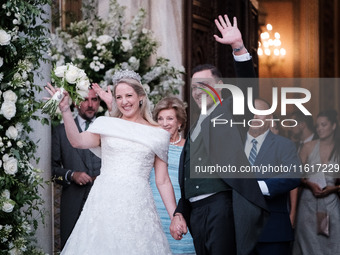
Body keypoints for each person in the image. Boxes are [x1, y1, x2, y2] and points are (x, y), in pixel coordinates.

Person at [46, 70, 177, 255]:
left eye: (129, 95)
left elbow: (162, 181)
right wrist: (66, 110)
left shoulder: (158, 134)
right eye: (119, 97)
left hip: (138, 206)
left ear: (141, 96)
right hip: (103, 203)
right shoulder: (107, 124)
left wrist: (175, 216)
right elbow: (77, 141)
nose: (124, 101)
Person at [170, 14, 268, 255]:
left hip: (221, 208)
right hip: (197, 213)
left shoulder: (231, 112)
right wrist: (180, 211)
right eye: (194, 87)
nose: (198, 91)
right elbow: (187, 178)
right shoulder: (194, 126)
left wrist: (238, 48)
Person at [246, 99, 301, 255]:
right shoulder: (234, 145)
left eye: (260, 112)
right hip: (239, 232)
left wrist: (262, 187)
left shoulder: (284, 145)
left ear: (269, 118)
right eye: (250, 112)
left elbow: (294, 175)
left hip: (272, 232)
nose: (254, 116)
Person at [51, 88, 101, 249]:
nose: (90, 104)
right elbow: (51, 171)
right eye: (85, 100)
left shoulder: (107, 129)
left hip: (103, 200)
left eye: (94, 100)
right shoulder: (59, 131)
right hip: (73, 200)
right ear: (75, 102)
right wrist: (71, 175)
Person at [150, 96, 196, 255]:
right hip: (153, 206)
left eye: (170, 118)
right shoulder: (151, 146)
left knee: (183, 246)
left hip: (181, 204)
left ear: (180, 123)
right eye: (160, 119)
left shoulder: (190, 147)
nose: (164, 123)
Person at [293, 109, 340, 255]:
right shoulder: (308, 147)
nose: (319, 128)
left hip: (331, 206)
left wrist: (333, 189)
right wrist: (308, 184)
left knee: (333, 246)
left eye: (323, 125)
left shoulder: (338, 149)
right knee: (307, 246)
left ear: (333, 126)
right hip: (308, 204)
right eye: (317, 125)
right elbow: (294, 175)